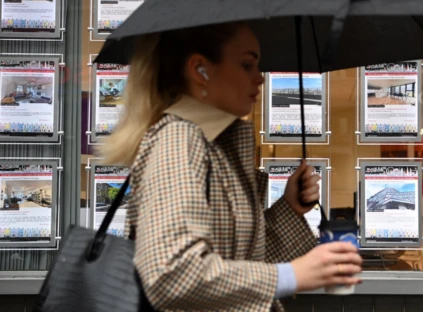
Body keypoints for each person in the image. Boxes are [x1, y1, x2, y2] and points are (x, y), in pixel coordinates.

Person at [100, 23, 362, 311]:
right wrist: (293, 275)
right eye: (247, 65)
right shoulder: (178, 140)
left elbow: (239, 263)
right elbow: (171, 273)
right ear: (200, 70)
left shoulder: (214, 145)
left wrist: (289, 207)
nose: (260, 78)